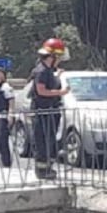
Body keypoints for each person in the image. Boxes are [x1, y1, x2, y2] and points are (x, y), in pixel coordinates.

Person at [29, 38, 70, 179]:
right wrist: (61, 93)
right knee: (43, 141)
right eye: (58, 58)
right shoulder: (41, 71)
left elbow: (50, 83)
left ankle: (48, 169)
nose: (59, 61)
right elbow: (41, 91)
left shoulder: (48, 70)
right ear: (52, 57)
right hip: (43, 112)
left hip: (51, 111)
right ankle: (42, 171)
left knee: (50, 141)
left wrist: (57, 76)